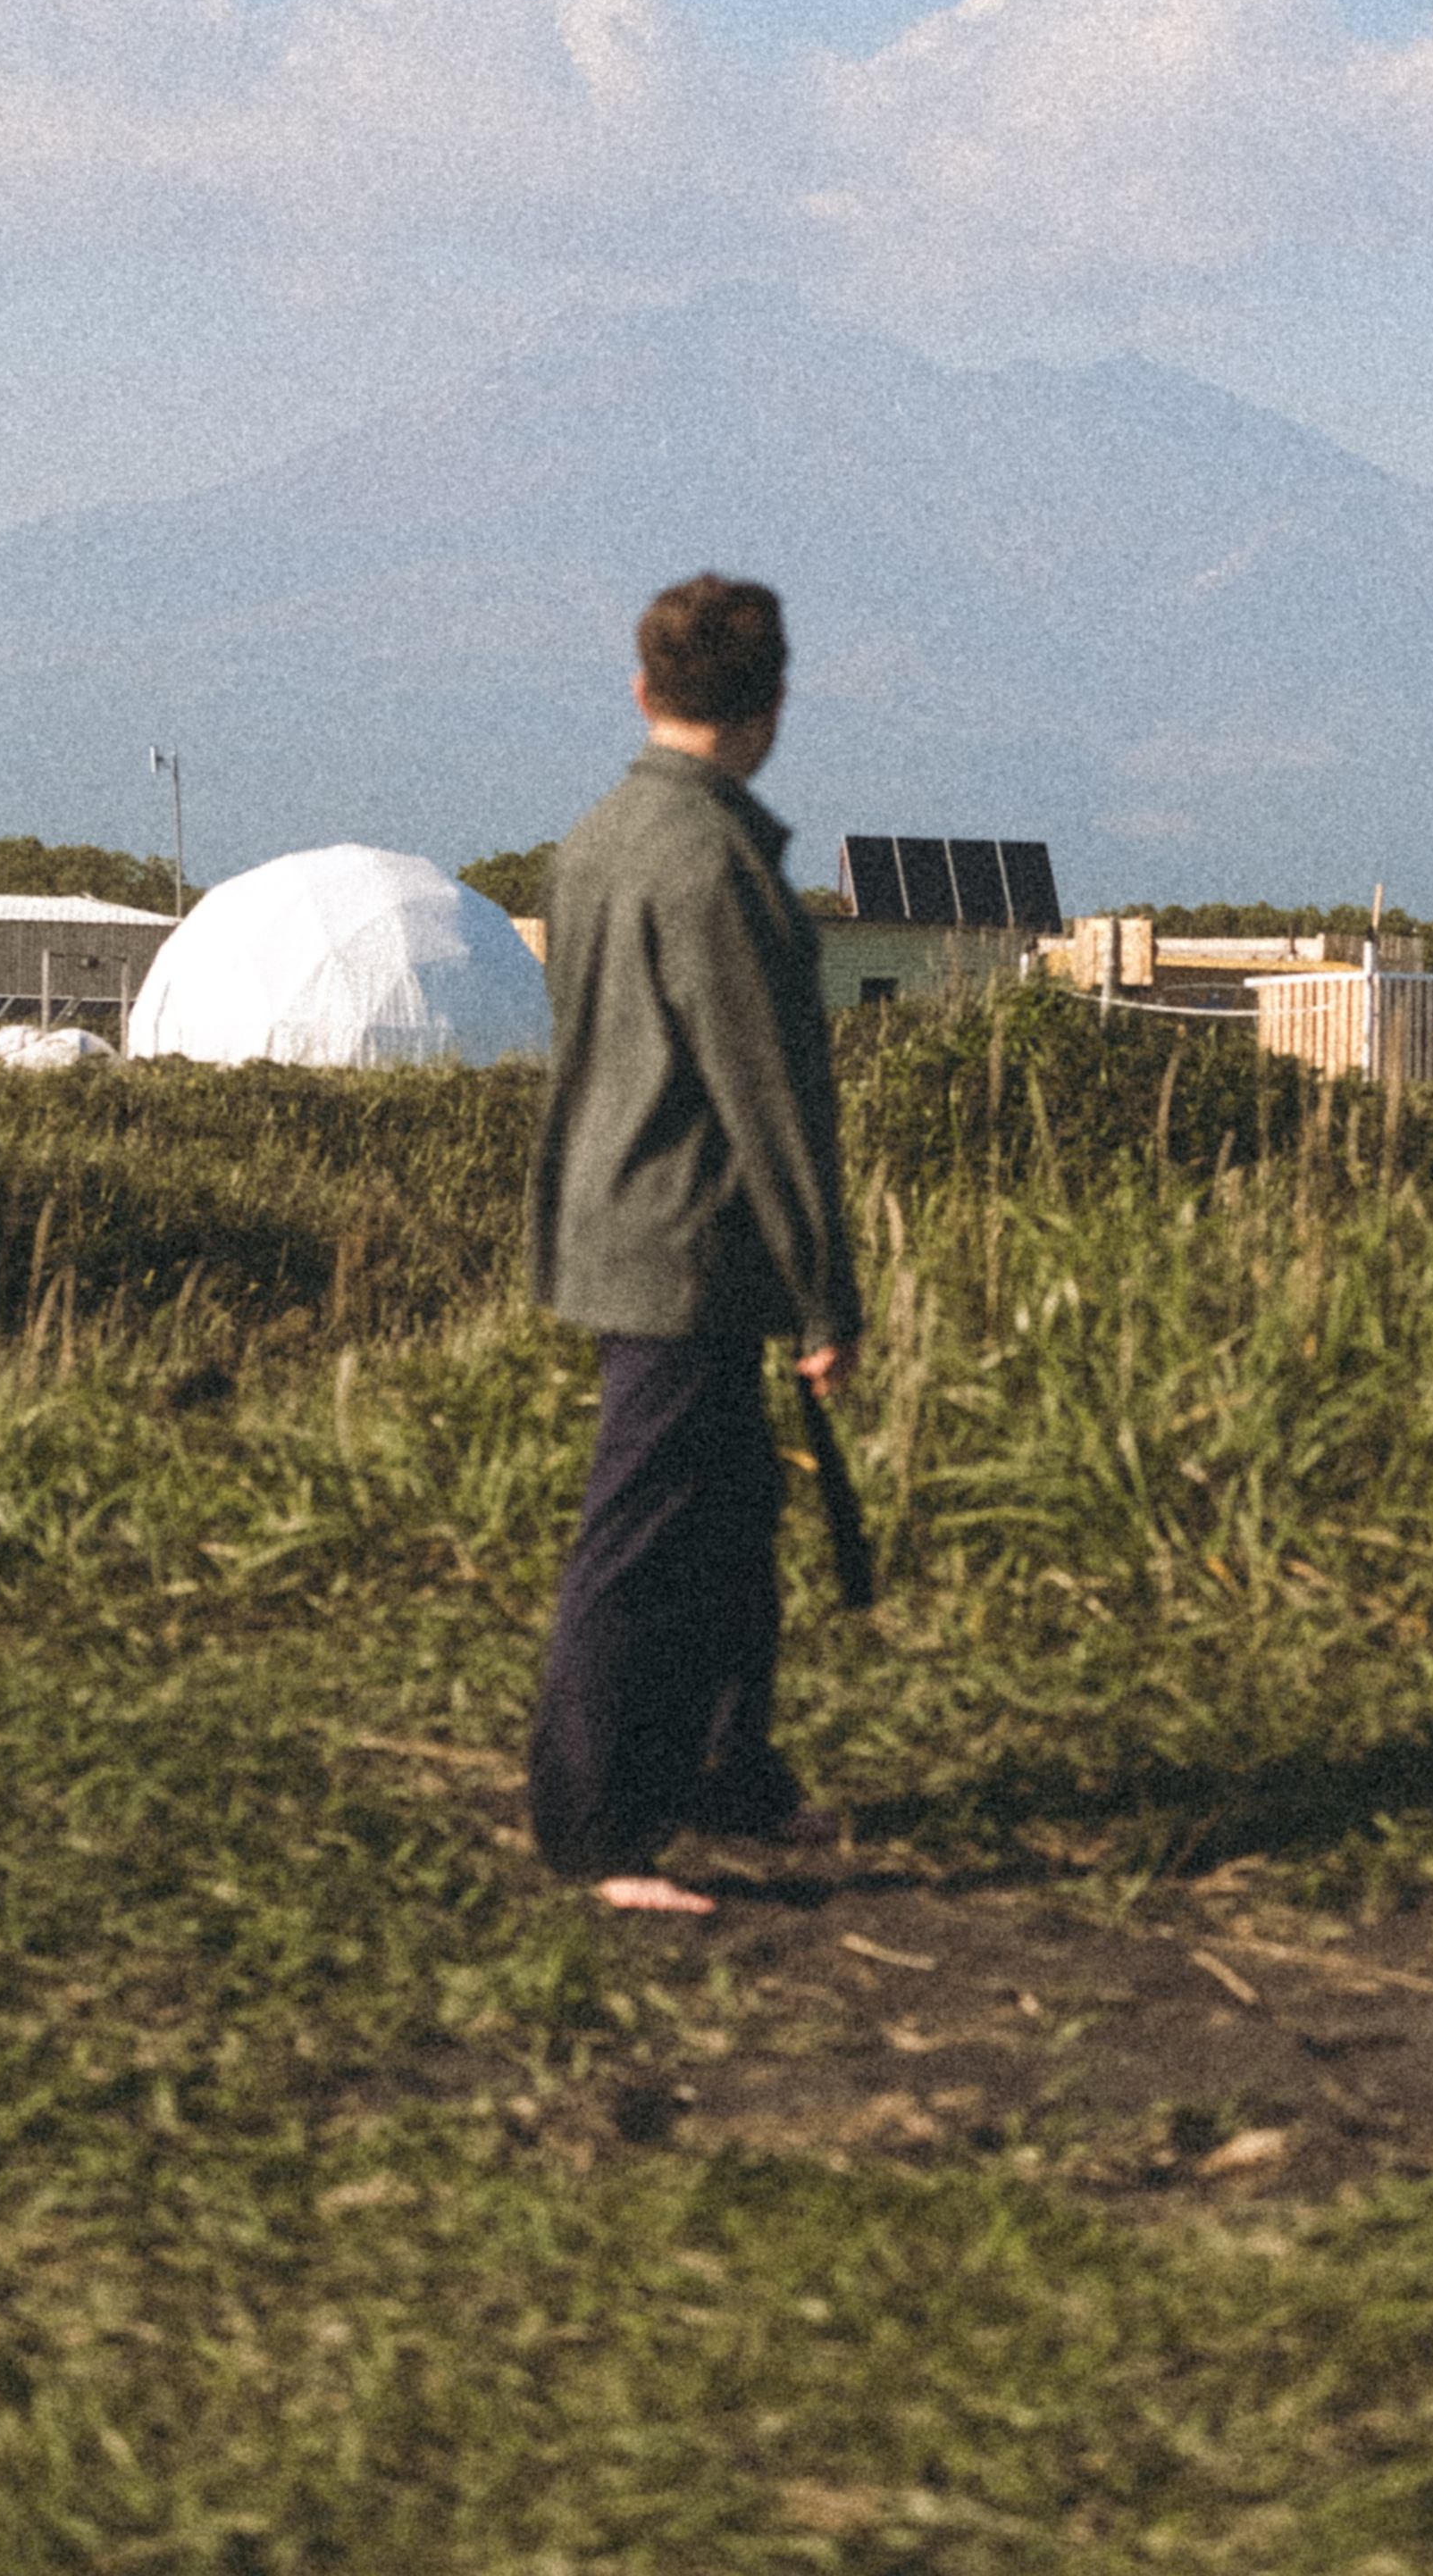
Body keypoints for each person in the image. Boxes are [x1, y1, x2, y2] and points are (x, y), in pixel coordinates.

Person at [525, 573, 862, 1916]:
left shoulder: (598, 837)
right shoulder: (715, 861)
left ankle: (730, 1768)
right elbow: (766, 1094)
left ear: (642, 687)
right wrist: (826, 1294)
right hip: (687, 1241)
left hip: (609, 1216)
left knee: (729, 1508)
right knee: (643, 1529)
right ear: (773, 704)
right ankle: (595, 1829)